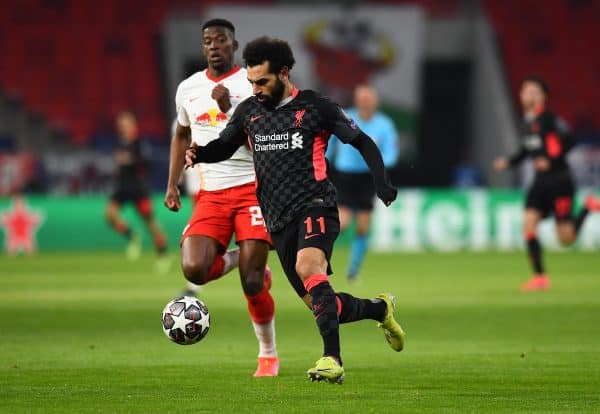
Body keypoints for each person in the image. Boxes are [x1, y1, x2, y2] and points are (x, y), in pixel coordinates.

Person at [185, 36, 405, 384]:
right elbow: (224, 147)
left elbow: (361, 140)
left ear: (284, 73)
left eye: (262, 81)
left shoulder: (316, 107)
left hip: (316, 204)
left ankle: (332, 359)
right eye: (251, 82)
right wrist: (200, 153)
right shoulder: (250, 112)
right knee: (322, 303)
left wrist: (381, 182)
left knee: (308, 266)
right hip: (277, 219)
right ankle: (380, 309)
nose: (255, 89)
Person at [164, 19, 279, 378]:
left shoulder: (253, 85)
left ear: (234, 45)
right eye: (208, 41)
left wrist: (230, 107)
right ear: (203, 48)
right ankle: (240, 258)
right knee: (194, 268)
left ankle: (268, 353)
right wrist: (172, 183)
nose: (214, 46)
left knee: (252, 281)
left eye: (221, 40)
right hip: (211, 192)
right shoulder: (188, 88)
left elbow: (267, 140)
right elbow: (182, 133)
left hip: (252, 189)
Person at [493, 75, 599, 291]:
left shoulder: (549, 119)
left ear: (542, 96)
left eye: (531, 91)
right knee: (529, 224)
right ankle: (540, 277)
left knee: (566, 239)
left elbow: (570, 139)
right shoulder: (528, 121)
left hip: (559, 181)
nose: (526, 95)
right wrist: (509, 162)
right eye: (524, 91)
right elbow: (527, 149)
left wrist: (551, 160)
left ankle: (588, 208)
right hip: (540, 183)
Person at [326, 84, 399, 282]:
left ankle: (353, 270)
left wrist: (380, 166)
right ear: (356, 100)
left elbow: (392, 152)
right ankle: (321, 260)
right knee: (342, 222)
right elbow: (329, 142)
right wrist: (323, 161)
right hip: (345, 175)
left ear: (375, 101)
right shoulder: (346, 118)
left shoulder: (385, 124)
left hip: (368, 178)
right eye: (362, 98)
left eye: (368, 98)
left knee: (363, 227)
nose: (365, 102)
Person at [106, 110, 170, 273]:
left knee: (150, 222)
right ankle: (132, 235)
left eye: (125, 124)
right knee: (110, 215)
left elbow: (146, 162)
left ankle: (163, 254)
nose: (122, 127)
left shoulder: (140, 142)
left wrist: (129, 160)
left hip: (138, 187)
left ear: (132, 125)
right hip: (122, 186)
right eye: (120, 125)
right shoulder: (119, 142)